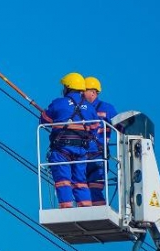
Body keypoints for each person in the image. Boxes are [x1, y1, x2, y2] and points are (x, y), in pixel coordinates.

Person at [41, 72, 98, 208]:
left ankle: (66, 207)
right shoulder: (90, 108)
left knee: (63, 180)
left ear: (67, 87)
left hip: (62, 149)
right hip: (81, 150)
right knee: (80, 181)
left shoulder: (59, 103)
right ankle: (86, 207)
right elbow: (95, 129)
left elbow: (44, 120)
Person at [83, 76, 118, 206]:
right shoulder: (80, 109)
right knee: (81, 191)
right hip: (80, 156)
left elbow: (121, 128)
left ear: (93, 92)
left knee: (94, 190)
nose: (81, 93)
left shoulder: (107, 108)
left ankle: (100, 211)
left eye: (84, 90)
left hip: (98, 157)